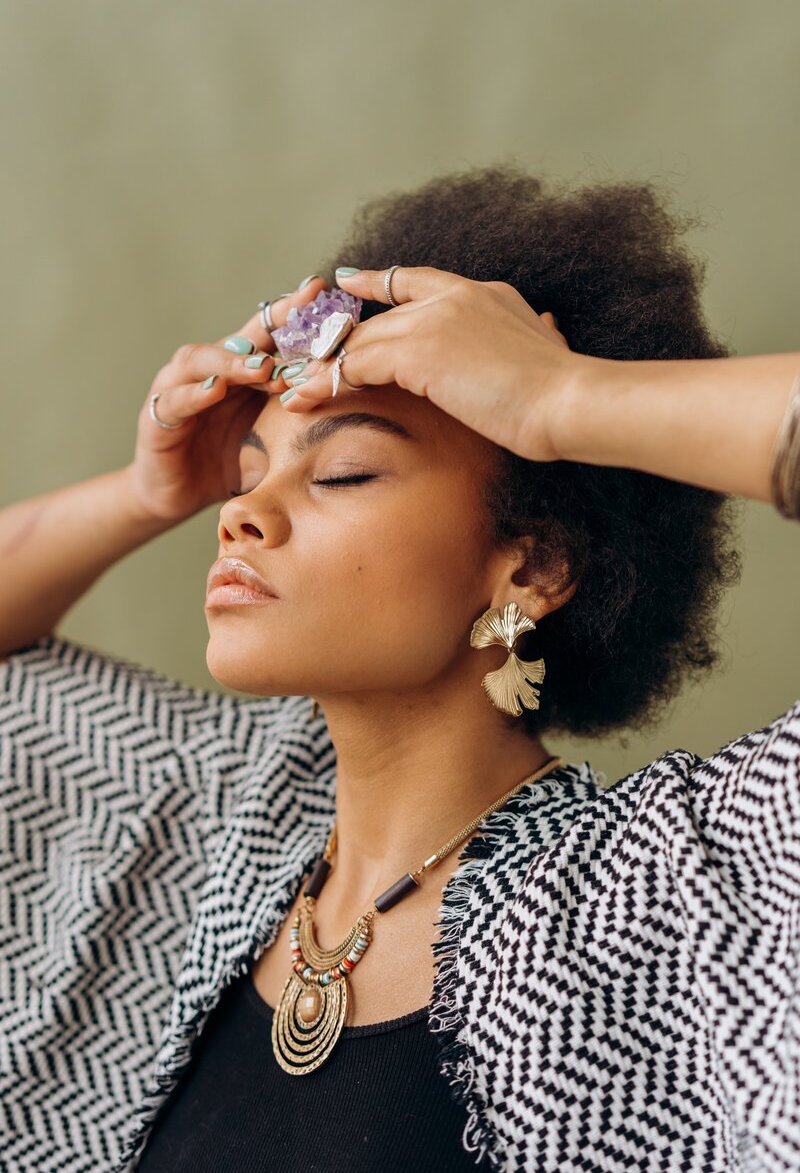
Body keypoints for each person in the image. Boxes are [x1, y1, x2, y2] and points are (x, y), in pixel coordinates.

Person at [1, 166, 797, 1173]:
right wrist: (149, 490)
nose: (241, 514)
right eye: (247, 474)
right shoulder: (214, 821)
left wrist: (565, 396)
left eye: (341, 472)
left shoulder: (681, 886)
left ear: (534, 564)